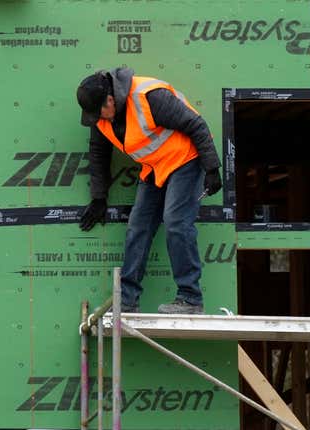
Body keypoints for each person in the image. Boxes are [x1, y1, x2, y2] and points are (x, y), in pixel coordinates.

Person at [76, 67, 222, 314]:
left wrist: (211, 168)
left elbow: (195, 124)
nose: (96, 119)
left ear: (110, 100)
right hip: (154, 168)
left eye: (98, 112)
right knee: (138, 228)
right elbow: (99, 154)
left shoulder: (148, 97)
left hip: (185, 160)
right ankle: (127, 301)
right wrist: (99, 197)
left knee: (176, 222)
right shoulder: (101, 120)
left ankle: (190, 299)